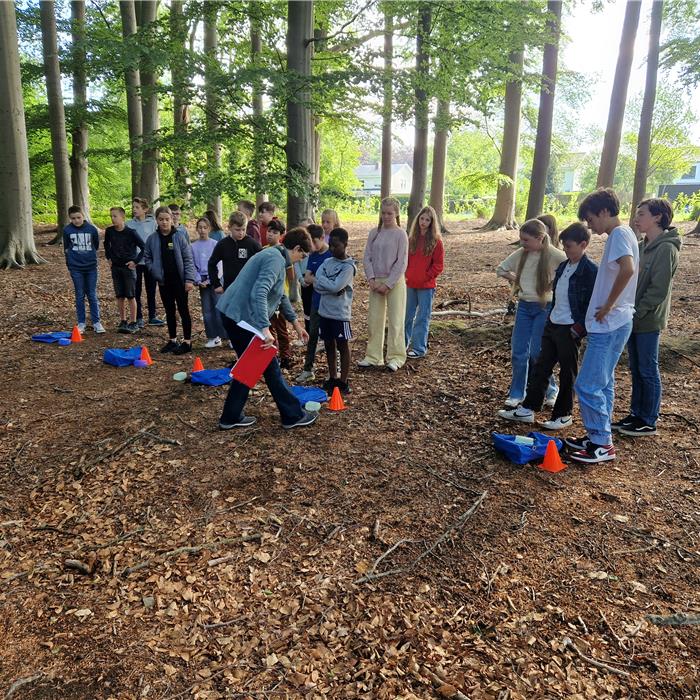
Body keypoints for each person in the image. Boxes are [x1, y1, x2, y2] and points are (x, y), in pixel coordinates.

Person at [497, 222, 598, 430]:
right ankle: (528, 407)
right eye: (565, 246)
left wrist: (579, 328)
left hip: (569, 327)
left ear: (583, 244)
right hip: (553, 322)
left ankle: (563, 413)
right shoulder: (564, 266)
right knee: (541, 365)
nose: (566, 250)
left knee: (567, 370)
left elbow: (590, 302)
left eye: (569, 246)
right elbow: (556, 291)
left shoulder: (589, 270)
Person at [565, 188, 640, 464]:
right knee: (604, 382)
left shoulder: (620, 234)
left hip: (611, 323)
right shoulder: (625, 234)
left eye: (590, 218)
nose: (589, 226)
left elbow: (628, 269)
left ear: (605, 212)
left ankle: (602, 444)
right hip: (613, 323)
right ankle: (599, 436)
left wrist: (609, 304)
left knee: (587, 384)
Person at [216, 227, 316, 430]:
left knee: (252, 365)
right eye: (302, 255)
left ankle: (230, 416)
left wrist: (295, 323)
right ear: (295, 248)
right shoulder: (275, 260)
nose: (300, 259)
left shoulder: (275, 256)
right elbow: (259, 293)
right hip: (240, 318)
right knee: (269, 366)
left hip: (237, 315)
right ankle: (292, 415)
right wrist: (264, 328)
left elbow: (279, 295)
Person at [613, 198, 681, 437]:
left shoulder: (666, 248)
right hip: (632, 317)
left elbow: (658, 290)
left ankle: (648, 419)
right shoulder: (641, 246)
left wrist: (637, 311)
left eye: (642, 214)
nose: (636, 218)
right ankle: (636, 414)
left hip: (648, 320)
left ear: (657, 217)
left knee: (647, 368)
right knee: (636, 367)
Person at [496, 218, 567, 407]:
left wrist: (552, 285)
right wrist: (518, 279)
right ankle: (517, 392)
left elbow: (569, 269)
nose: (522, 243)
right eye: (521, 239)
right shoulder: (521, 254)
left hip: (544, 308)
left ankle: (550, 389)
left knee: (538, 352)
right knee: (519, 352)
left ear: (540, 238)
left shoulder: (555, 255)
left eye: (526, 240)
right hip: (524, 307)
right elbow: (501, 269)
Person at [359, 197, 409, 372]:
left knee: (395, 320)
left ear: (396, 214)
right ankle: (374, 356)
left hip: (394, 282)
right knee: (374, 320)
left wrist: (388, 284)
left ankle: (396, 357)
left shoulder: (401, 234)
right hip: (375, 282)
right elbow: (367, 257)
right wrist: (371, 279)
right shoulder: (374, 232)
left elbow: (402, 262)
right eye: (383, 213)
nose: (386, 216)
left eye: (390, 213)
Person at [144, 206, 196, 354]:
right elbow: (147, 256)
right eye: (161, 219)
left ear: (172, 220)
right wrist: (153, 269)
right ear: (157, 220)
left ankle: (187, 341)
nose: (164, 222)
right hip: (163, 281)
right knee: (169, 310)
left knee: (183, 309)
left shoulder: (179, 236)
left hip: (179, 281)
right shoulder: (153, 239)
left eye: (167, 219)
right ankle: (172, 340)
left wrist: (189, 279)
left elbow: (188, 259)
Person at [314, 227, 356, 395]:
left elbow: (338, 285)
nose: (332, 249)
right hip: (325, 312)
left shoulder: (348, 267)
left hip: (340, 314)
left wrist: (328, 284)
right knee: (329, 344)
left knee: (342, 345)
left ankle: (343, 381)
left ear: (345, 245)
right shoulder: (326, 263)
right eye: (330, 245)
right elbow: (317, 283)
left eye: (336, 246)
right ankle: (332, 377)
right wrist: (329, 287)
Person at [404, 205, 444, 358]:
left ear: (432, 222)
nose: (424, 222)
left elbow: (439, 265)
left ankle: (419, 348)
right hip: (410, 284)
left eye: (428, 220)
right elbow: (405, 260)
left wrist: (426, 276)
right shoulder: (411, 239)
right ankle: (402, 345)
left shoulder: (436, 242)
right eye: (422, 218)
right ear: (418, 219)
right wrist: (407, 274)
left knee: (422, 317)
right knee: (407, 316)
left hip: (426, 287)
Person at [296, 224, 333, 383]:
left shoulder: (332, 254)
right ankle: (308, 369)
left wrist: (318, 280)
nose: (311, 247)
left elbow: (335, 281)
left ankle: (333, 371)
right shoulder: (312, 255)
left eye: (313, 242)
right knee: (312, 336)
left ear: (322, 238)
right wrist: (321, 281)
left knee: (332, 338)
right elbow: (307, 277)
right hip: (316, 302)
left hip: (331, 305)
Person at [63, 204, 105, 333]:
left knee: (91, 294)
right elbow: (66, 247)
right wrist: (70, 263)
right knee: (80, 294)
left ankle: (97, 322)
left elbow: (96, 245)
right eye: (73, 218)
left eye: (78, 217)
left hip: (91, 267)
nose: (76, 220)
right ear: (70, 218)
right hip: (75, 267)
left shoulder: (91, 229)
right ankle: (81, 322)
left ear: (83, 216)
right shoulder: (67, 230)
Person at [104, 206, 143, 334]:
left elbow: (144, 247)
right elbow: (106, 245)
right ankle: (123, 320)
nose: (113, 219)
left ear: (123, 217)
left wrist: (135, 262)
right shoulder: (109, 231)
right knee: (120, 295)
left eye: (115, 216)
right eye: (111, 216)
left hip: (128, 268)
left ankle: (133, 322)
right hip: (116, 267)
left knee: (131, 296)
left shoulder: (131, 232)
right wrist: (109, 258)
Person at [128, 197, 164, 328]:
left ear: (145, 209)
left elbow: (158, 240)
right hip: (135, 262)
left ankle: (152, 316)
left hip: (150, 261)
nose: (134, 210)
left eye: (137, 207)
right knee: (136, 290)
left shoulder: (153, 223)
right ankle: (138, 317)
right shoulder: (129, 224)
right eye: (133, 207)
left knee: (151, 290)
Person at [192, 217, 228, 348]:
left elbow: (219, 264)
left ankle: (227, 336)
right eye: (200, 227)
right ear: (197, 229)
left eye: (205, 227)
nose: (202, 230)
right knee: (207, 311)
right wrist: (198, 280)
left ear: (209, 229)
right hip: (202, 281)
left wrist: (212, 280)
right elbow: (192, 265)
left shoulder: (215, 244)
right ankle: (213, 336)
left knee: (220, 308)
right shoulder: (193, 246)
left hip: (215, 280)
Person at [208, 210, 263, 292]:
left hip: (249, 289)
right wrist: (216, 284)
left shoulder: (252, 244)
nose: (241, 233)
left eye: (243, 229)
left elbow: (263, 261)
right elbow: (211, 264)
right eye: (237, 230)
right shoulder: (223, 244)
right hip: (229, 288)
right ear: (229, 227)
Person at [265, 218, 294, 369]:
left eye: (275, 232)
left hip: (280, 296)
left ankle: (285, 356)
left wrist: (285, 287)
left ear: (281, 235)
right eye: (269, 231)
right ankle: (271, 356)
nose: (270, 234)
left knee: (281, 328)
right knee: (268, 328)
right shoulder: (263, 250)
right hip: (266, 298)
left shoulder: (283, 252)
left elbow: (290, 273)